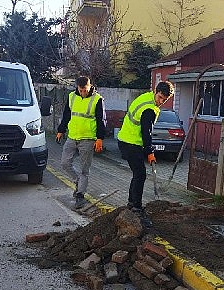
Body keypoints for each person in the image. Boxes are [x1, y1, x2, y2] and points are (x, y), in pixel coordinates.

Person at [117, 80, 174, 227]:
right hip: (130, 142)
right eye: (160, 97)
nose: (161, 101)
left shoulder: (146, 97)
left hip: (127, 140)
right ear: (156, 91)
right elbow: (146, 132)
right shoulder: (149, 108)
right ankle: (136, 207)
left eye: (164, 99)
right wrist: (149, 151)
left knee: (138, 173)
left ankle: (132, 203)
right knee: (140, 174)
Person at [56, 76, 106, 209]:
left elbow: (101, 120)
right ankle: (78, 181)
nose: (83, 92)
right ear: (77, 87)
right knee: (65, 163)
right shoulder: (72, 96)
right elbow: (66, 114)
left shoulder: (97, 99)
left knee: (85, 169)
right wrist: (61, 130)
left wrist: (100, 138)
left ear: (90, 86)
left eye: (85, 90)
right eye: (81, 90)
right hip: (72, 137)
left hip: (88, 139)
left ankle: (80, 196)